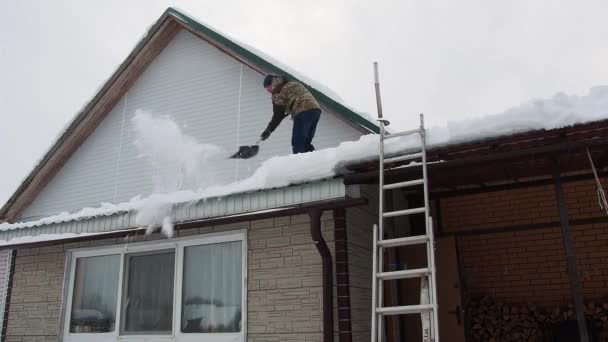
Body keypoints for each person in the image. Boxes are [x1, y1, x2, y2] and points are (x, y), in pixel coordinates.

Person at [260, 75, 322, 154]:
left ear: (273, 83)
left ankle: (299, 164)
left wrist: (268, 130)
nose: (269, 91)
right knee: (306, 143)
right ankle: (315, 162)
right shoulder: (290, 83)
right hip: (315, 110)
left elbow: (277, 115)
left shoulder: (277, 91)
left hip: (302, 110)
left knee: (297, 142)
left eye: (268, 88)